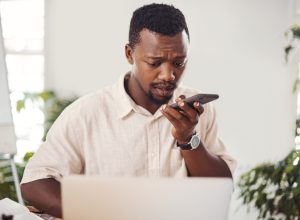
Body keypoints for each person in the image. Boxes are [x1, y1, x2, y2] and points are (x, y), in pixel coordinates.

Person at [20, 3, 236, 218]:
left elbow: (222, 187)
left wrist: (188, 139)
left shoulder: (197, 111)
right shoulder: (87, 114)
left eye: (179, 63)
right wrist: (98, 214)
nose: (168, 75)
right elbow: (34, 183)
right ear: (129, 54)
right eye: (155, 62)